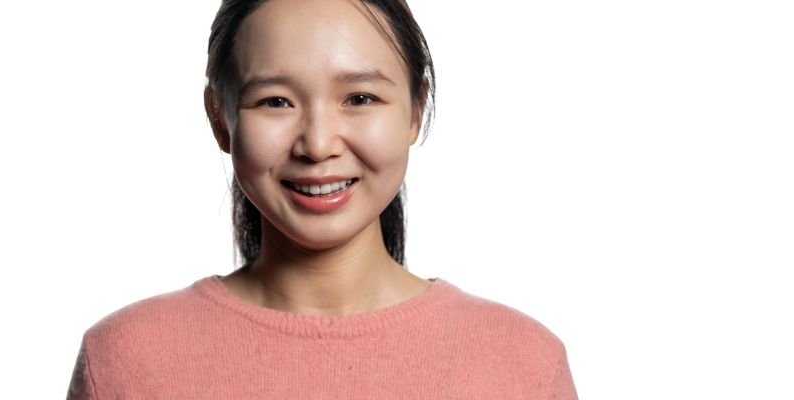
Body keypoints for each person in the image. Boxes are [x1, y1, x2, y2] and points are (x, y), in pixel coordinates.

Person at [66, 0, 577, 398]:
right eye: (275, 101)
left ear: (416, 109)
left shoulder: (522, 363)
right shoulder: (126, 358)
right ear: (219, 116)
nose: (318, 144)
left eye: (359, 98)